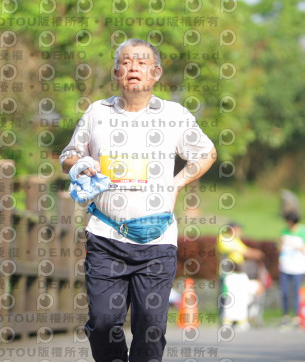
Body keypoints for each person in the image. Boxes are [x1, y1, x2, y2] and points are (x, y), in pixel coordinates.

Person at [60, 38, 217, 362]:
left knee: (150, 327)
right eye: (127, 62)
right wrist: (82, 165)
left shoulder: (173, 114)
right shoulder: (97, 112)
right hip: (105, 237)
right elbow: (69, 155)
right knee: (104, 324)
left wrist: (176, 184)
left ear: (156, 73)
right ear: (117, 72)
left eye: (142, 62)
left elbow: (207, 153)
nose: (134, 67)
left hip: (157, 239)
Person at [216, 222, 264, 328]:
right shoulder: (223, 238)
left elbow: (245, 250)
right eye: (238, 229)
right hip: (227, 270)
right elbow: (240, 250)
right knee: (226, 294)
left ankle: (236, 319)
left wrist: (255, 253)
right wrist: (252, 253)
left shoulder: (236, 241)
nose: (240, 232)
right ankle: (224, 318)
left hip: (237, 271)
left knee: (238, 295)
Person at [278, 211, 305, 329]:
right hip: (285, 265)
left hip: (298, 266)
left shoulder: (303, 231)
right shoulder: (285, 231)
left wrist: (294, 245)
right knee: (284, 291)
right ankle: (285, 315)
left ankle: (297, 317)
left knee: (296, 292)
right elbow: (280, 247)